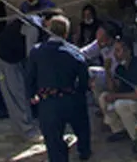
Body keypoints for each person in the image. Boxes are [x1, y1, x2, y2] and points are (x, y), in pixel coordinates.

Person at [26, 14, 91, 162]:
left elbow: (30, 76)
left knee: (53, 141)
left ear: (49, 30)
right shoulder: (75, 53)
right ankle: (84, 152)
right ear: (66, 33)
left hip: (48, 102)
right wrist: (80, 93)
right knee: (82, 127)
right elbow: (84, 79)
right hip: (71, 99)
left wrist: (31, 95)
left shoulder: (36, 52)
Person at [0, 11, 41, 140]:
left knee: (20, 92)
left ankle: (26, 125)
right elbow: (31, 55)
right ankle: (26, 131)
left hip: (13, 57)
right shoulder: (33, 28)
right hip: (6, 58)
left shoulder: (32, 20)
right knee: (16, 93)